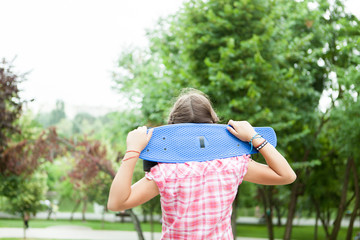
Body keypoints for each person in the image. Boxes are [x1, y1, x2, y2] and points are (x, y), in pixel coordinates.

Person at [108, 89, 296, 239]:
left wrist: (133, 150)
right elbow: (287, 176)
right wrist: (254, 137)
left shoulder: (167, 172)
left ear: (173, 125)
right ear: (212, 122)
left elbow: (117, 203)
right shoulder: (231, 164)